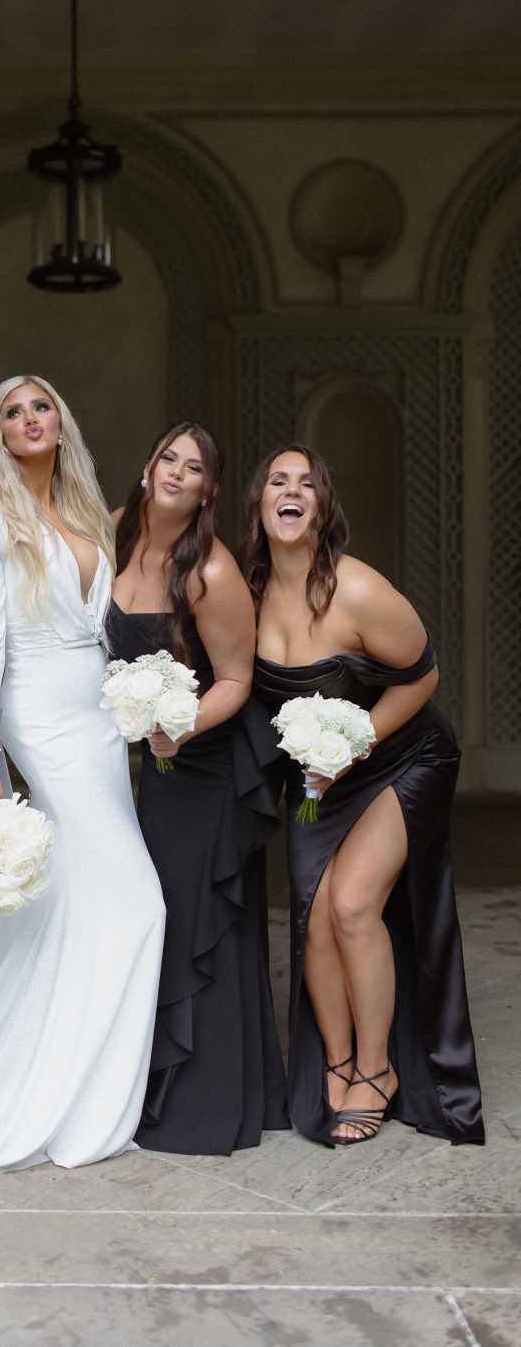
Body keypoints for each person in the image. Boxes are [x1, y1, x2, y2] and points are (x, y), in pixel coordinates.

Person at [0, 375, 166, 1175]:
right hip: (38, 712)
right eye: (12, 411)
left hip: (99, 720)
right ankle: (45, 1092)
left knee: (80, 902)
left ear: (61, 423)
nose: (30, 419)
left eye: (41, 407)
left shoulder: (86, 509)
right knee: (139, 903)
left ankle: (78, 1081)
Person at [240, 444, 484, 1146]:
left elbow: (423, 676)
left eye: (307, 484)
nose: (292, 491)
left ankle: (378, 1071)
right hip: (320, 777)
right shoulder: (248, 593)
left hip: (403, 757)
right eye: (277, 481)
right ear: (260, 504)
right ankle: (338, 1062)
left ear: (322, 507)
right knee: (316, 915)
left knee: (351, 905)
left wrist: (351, 748)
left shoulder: (358, 589)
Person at [106, 422, 288, 1154]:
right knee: (160, 916)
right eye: (168, 458)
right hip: (159, 770)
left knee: (195, 918)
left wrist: (178, 729)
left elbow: (238, 682)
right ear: (148, 467)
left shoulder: (209, 571)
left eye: (196, 467)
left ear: (211, 488)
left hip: (206, 765)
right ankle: (159, 1079)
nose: (178, 472)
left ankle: (207, 1100)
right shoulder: (117, 532)